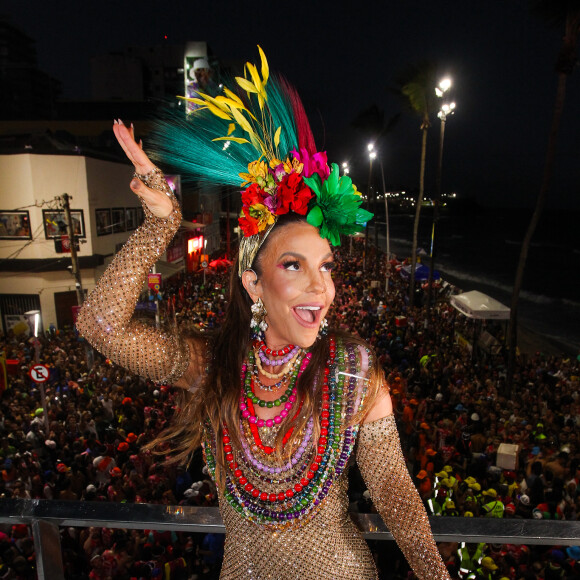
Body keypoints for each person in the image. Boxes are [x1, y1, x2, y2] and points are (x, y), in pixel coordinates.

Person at [76, 47, 450, 579]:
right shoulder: (213, 367)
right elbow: (100, 326)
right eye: (294, 265)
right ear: (253, 283)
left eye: (326, 266)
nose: (321, 286)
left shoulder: (353, 373)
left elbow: (393, 492)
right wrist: (159, 225)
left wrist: (436, 576)